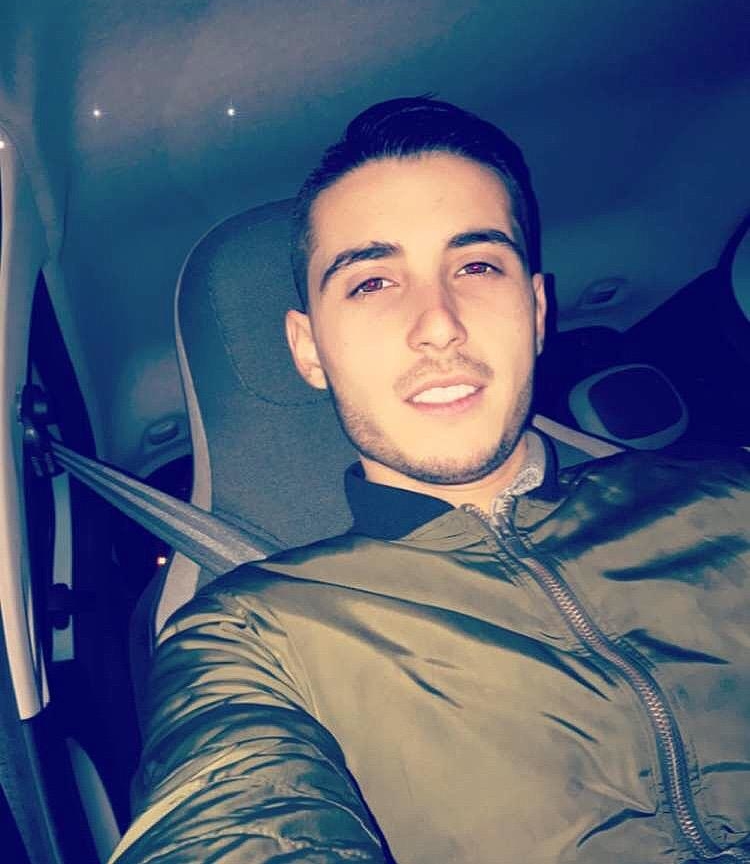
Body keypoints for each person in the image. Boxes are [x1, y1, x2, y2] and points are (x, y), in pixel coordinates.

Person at [110, 98, 750, 864]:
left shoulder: (726, 498)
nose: (439, 323)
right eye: (373, 282)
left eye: (476, 266)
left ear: (536, 310)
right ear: (309, 349)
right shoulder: (249, 637)